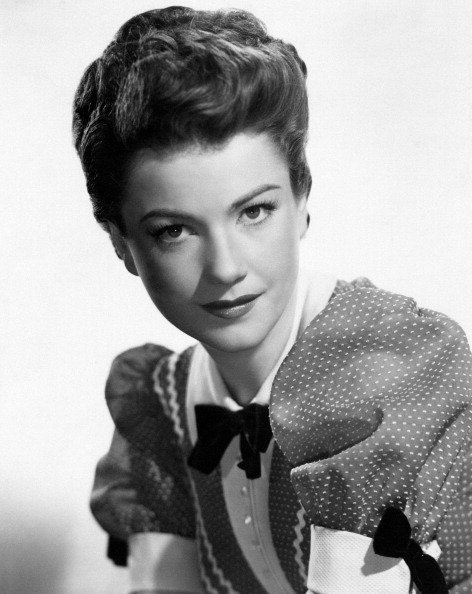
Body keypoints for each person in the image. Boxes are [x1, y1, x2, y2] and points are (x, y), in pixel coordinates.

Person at [73, 6, 472, 593]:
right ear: (123, 243)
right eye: (173, 231)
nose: (227, 268)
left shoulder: (383, 369)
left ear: (302, 200)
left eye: (254, 212)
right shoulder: (159, 409)